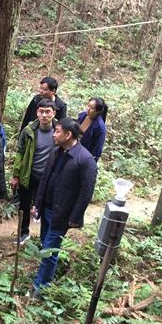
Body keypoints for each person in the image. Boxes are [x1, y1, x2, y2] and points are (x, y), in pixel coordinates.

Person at [31, 118, 97, 294]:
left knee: (49, 249)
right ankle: (44, 279)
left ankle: (40, 288)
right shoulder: (56, 152)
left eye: (57, 131)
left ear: (68, 135)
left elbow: (86, 193)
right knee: (46, 246)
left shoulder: (85, 160)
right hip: (46, 208)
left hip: (62, 214)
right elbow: (45, 179)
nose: (54, 134)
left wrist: (75, 218)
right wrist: (37, 203)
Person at [11, 99, 57, 244]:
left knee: (46, 206)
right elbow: (20, 152)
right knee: (24, 204)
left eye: (48, 112)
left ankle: (45, 236)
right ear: (37, 112)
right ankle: (23, 232)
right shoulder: (29, 130)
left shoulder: (59, 131)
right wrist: (16, 175)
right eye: (41, 111)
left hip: (49, 177)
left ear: (54, 113)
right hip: (29, 174)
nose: (44, 115)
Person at [77, 97, 108, 162]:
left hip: (83, 157)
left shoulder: (100, 128)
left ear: (98, 111)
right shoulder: (82, 116)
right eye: (88, 106)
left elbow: (97, 150)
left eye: (92, 108)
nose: (88, 109)